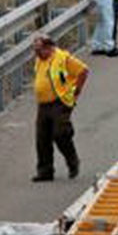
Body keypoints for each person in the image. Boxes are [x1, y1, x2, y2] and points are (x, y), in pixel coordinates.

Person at [31, 34, 88, 182]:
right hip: (43, 104)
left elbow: (83, 71)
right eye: (35, 50)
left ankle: (72, 161)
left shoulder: (63, 58)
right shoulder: (39, 60)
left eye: (39, 49)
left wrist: (77, 91)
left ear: (49, 47)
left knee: (60, 133)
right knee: (42, 138)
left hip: (60, 102)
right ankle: (45, 171)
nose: (37, 53)